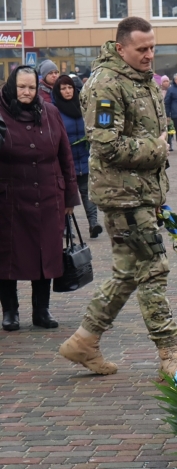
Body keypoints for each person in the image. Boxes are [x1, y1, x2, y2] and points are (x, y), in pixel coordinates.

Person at [60, 16, 177, 377]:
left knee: (128, 273)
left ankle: (84, 341)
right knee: (153, 270)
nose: (149, 55)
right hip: (123, 198)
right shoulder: (106, 84)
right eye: (142, 49)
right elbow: (106, 144)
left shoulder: (140, 78)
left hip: (142, 194)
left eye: (152, 47)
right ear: (121, 48)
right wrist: (157, 149)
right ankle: (171, 355)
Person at [0, 66, 81, 332]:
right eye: (21, 87)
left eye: (31, 87)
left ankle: (41, 311)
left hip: (48, 195)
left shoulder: (51, 112)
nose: (26, 92)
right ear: (12, 86)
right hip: (10, 197)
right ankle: (10, 311)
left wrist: (70, 196)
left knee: (45, 254)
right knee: (7, 256)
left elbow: (65, 156)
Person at [53, 74, 103, 239]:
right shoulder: (54, 110)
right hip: (65, 161)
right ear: (58, 91)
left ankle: (93, 224)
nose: (67, 91)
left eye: (70, 88)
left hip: (84, 157)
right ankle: (67, 226)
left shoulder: (83, 106)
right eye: (63, 88)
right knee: (66, 194)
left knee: (87, 191)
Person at [159, 77, 174, 152]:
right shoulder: (158, 90)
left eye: (167, 81)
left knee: (169, 128)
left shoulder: (172, 90)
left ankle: (169, 144)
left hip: (170, 112)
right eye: (164, 81)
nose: (166, 83)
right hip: (160, 112)